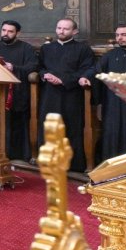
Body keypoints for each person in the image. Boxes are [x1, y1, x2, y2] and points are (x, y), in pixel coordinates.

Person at [38, 18, 95, 172]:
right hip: (49, 94)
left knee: (71, 128)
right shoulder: (47, 48)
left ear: (74, 31)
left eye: (66, 29)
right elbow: (40, 67)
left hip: (71, 94)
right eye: (59, 28)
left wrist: (63, 80)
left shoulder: (83, 49)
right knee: (49, 127)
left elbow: (87, 69)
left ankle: (72, 165)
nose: (61, 31)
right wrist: (46, 75)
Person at [0, 20, 38, 161]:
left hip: (18, 92)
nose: (6, 33)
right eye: (4, 30)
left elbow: (33, 66)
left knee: (17, 123)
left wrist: (14, 67)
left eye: (10, 31)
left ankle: (18, 154)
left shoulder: (26, 48)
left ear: (17, 33)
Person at [95, 23, 126, 164]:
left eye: (124, 34)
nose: (119, 38)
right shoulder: (111, 55)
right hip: (113, 105)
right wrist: (85, 78)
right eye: (117, 35)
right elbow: (97, 71)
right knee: (112, 137)